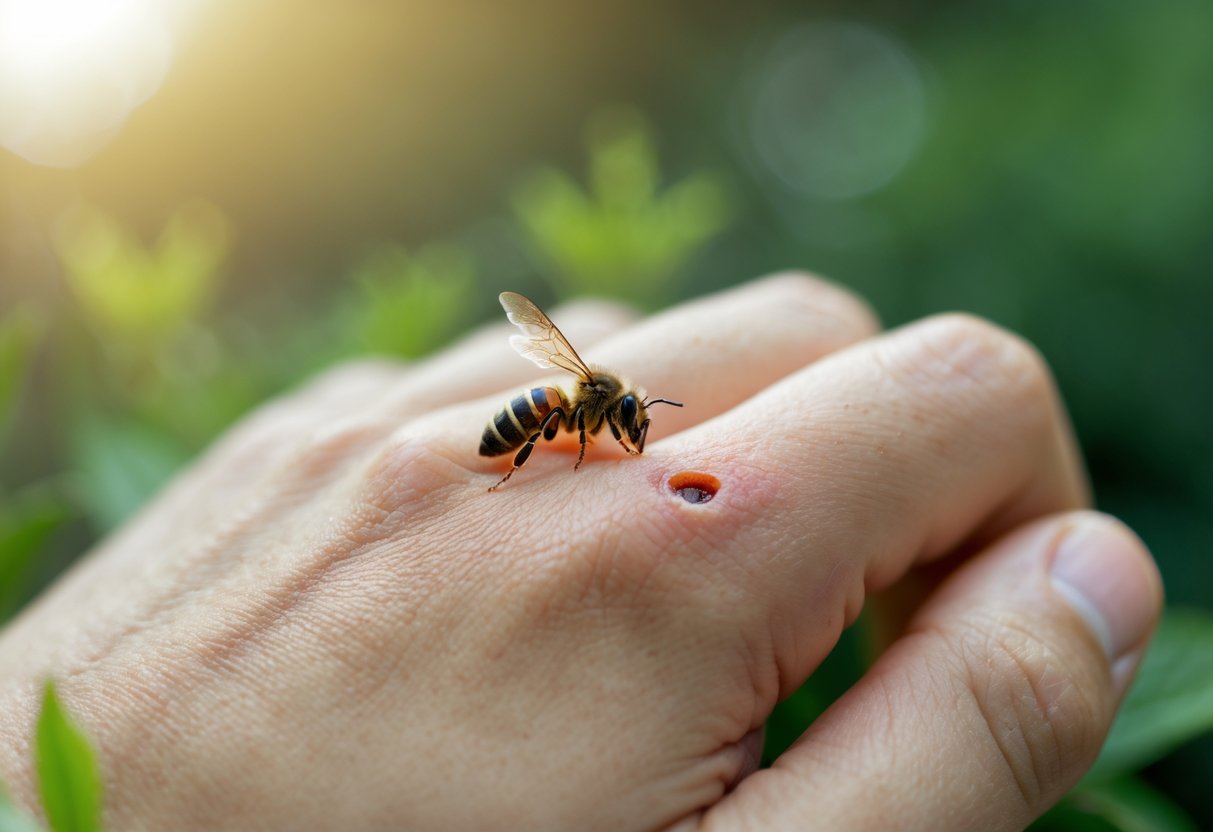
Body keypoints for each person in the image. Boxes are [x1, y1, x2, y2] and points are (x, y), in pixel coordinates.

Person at [0, 274, 1161, 830]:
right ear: (605, 416)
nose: (626, 437)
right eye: (623, 426)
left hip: (527, 433)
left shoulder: (591, 405)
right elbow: (569, 422)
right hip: (527, 440)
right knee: (546, 439)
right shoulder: (577, 416)